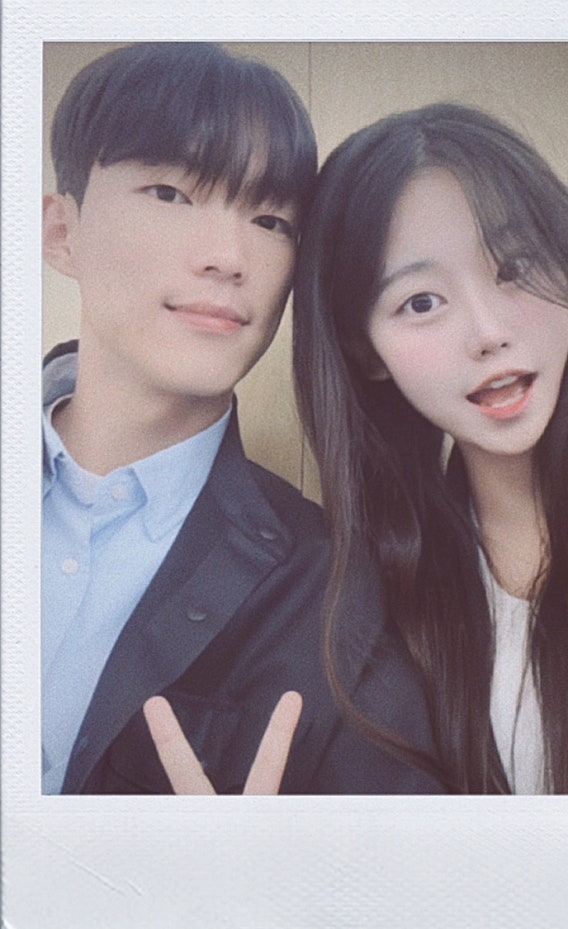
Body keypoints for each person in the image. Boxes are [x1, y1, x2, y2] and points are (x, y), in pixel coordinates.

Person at [41, 42, 443, 795]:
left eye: (270, 219)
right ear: (63, 232)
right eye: (170, 193)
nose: (229, 256)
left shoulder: (337, 598)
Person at [292, 103, 568, 794]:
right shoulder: (383, 600)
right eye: (421, 302)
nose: (487, 333)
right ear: (365, 351)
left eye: (514, 266)